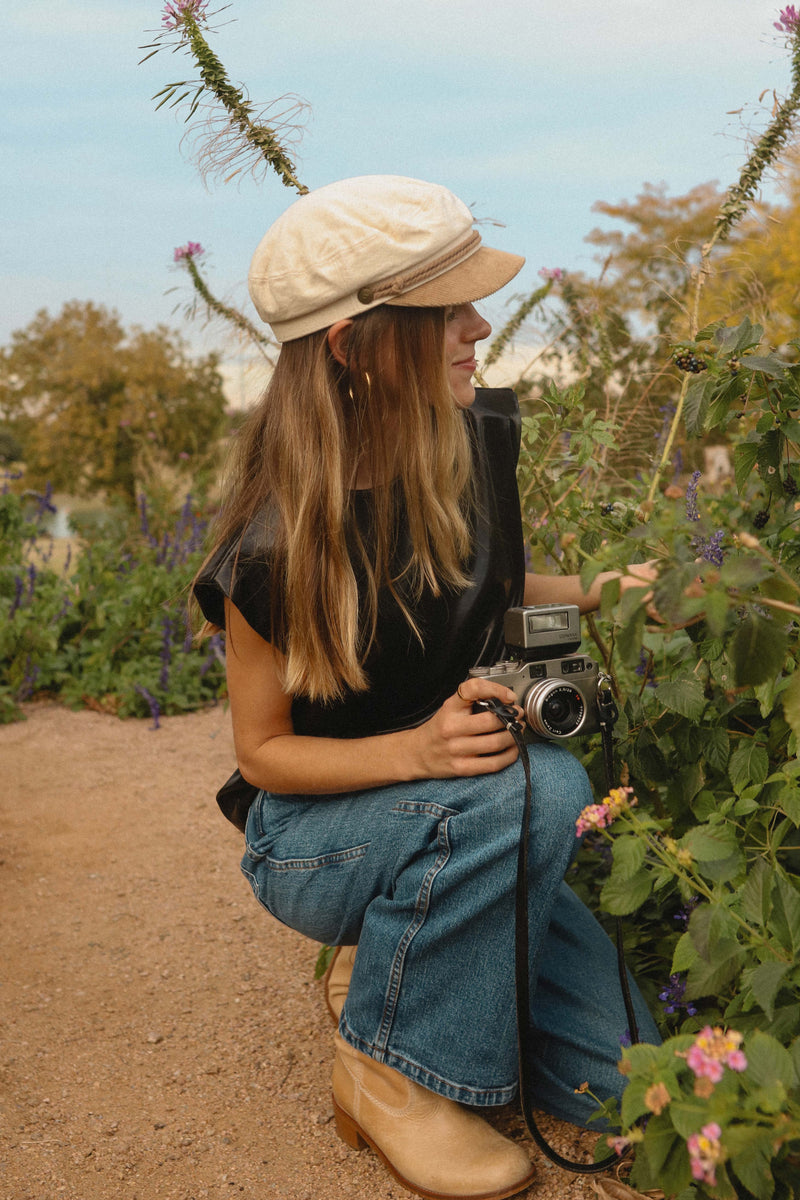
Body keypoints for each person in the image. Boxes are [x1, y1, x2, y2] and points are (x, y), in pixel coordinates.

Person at [193, 175, 660, 1200]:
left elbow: (479, 587)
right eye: (447, 311)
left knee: (634, 1089)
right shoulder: (273, 546)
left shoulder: (470, 443)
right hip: (316, 836)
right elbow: (261, 755)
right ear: (353, 347)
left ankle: (431, 944)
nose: (480, 324)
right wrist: (415, 755)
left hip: (467, 811)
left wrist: (610, 594)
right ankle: (387, 1068)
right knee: (534, 788)